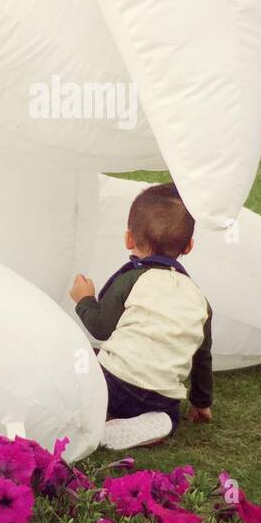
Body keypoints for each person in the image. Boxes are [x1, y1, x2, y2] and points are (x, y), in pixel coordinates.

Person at [70, 182, 212, 451]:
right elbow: (202, 357)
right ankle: (162, 421)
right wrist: (202, 402)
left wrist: (84, 299)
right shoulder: (199, 299)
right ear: (190, 246)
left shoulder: (131, 279)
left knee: (82, 362)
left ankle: (96, 414)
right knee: (167, 411)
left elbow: (101, 328)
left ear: (128, 239)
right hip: (163, 395)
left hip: (115, 383)